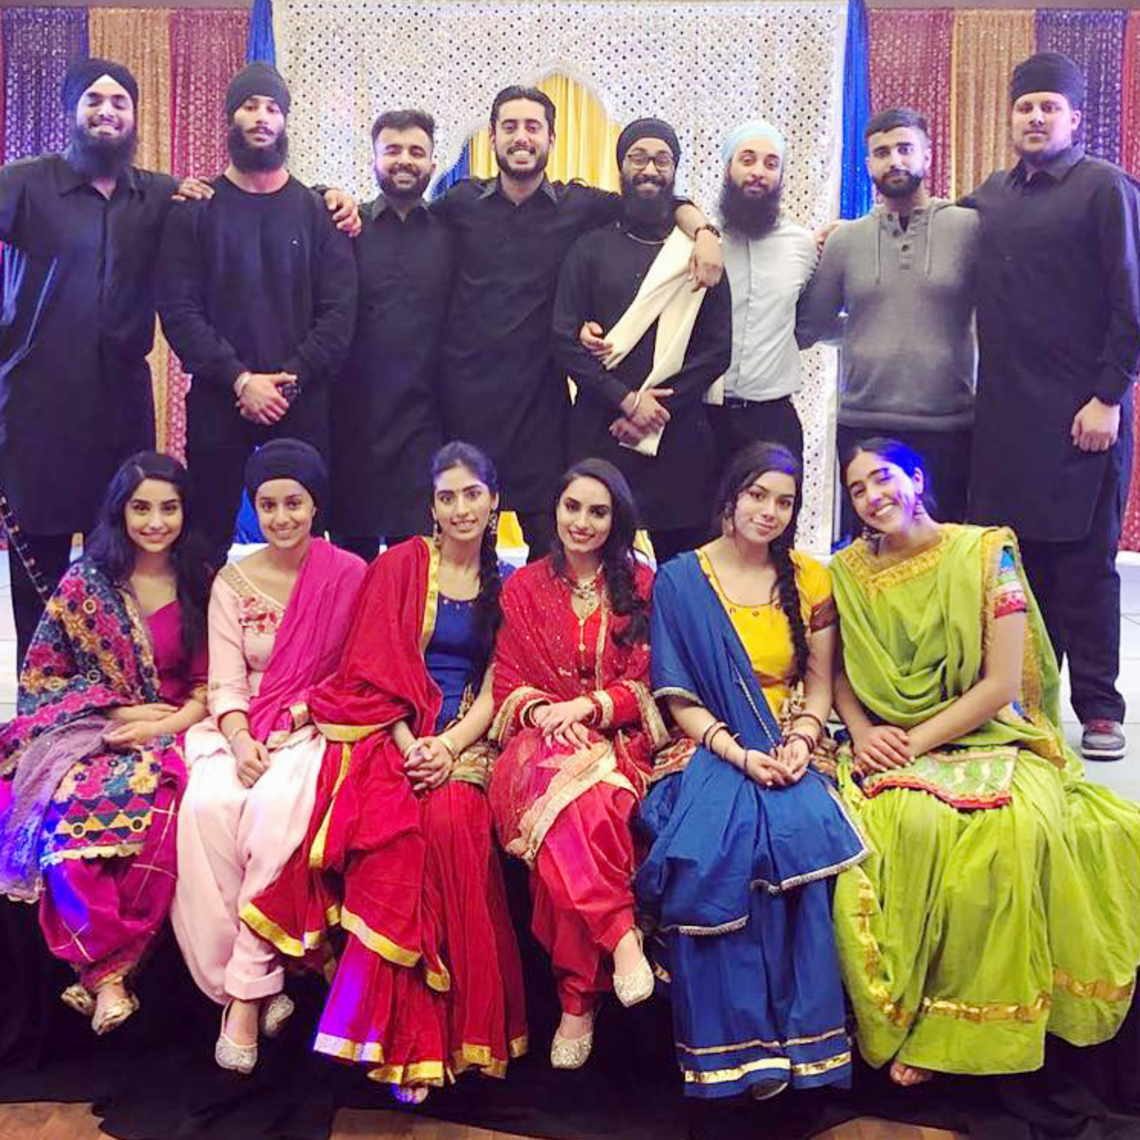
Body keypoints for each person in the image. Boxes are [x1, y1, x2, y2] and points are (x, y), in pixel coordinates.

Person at [831, 437, 1140, 1086]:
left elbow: (1001, 686)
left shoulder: (984, 553)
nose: (872, 496)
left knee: (1013, 834)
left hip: (995, 736)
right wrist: (863, 735)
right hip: (891, 737)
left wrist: (913, 745)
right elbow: (833, 673)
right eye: (857, 489)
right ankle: (905, 1011)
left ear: (916, 479)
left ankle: (960, 1033)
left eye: (883, 478)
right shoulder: (848, 573)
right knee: (902, 830)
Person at [245, 442, 526, 1101]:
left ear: (494, 499)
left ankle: (454, 1040)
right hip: (386, 733)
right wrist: (410, 745)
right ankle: (395, 1040)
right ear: (430, 505)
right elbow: (371, 669)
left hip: (463, 739)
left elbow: (498, 684)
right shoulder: (400, 566)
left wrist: (451, 747)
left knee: (456, 822)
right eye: (447, 496)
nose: (460, 509)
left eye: (472, 494)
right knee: (398, 830)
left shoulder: (507, 583)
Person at [635, 441, 867, 1099]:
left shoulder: (808, 578)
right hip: (709, 744)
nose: (770, 511)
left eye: (784, 502)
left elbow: (820, 684)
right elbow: (676, 694)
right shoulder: (681, 579)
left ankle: (807, 1044)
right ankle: (738, 1050)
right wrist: (737, 752)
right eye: (758, 496)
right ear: (730, 499)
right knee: (719, 844)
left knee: (794, 829)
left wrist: (801, 738)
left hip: (793, 740)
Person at [433, 86, 723, 559]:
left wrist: (706, 234)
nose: (521, 138)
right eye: (510, 127)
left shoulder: (580, 205)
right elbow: (400, 214)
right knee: (464, 548)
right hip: (466, 402)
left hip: (542, 408)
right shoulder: (460, 203)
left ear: (551, 138)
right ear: (491, 138)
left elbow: (654, 196)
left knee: (549, 552)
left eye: (532, 127)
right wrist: (333, 199)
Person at [0, 59, 213, 665]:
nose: (107, 111)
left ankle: (113, 680)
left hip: (119, 406)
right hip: (35, 404)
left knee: (119, 553)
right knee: (35, 560)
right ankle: (40, 694)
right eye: (94, 100)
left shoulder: (157, 195)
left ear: (133, 117)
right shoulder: (25, 183)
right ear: (73, 111)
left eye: (120, 102)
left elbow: (242, 196)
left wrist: (334, 199)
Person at [964, 53, 1140, 760]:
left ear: (1074, 118)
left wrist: (1107, 397)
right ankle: (1029, 702)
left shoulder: (1105, 189)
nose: (1035, 118)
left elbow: (1132, 304)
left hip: (1083, 419)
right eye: (1024, 107)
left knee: (1086, 567)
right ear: (1009, 119)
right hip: (1006, 421)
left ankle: (1099, 707)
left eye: (1048, 107)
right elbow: (939, 226)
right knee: (1019, 568)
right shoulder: (993, 195)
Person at [172, 439, 366, 1073]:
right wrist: (239, 738)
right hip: (242, 727)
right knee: (207, 804)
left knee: (275, 812)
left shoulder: (349, 573)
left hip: (317, 728)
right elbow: (225, 682)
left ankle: (247, 993)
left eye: (294, 503)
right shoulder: (232, 581)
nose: (282, 517)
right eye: (268, 504)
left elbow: (357, 674)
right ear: (253, 508)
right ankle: (247, 974)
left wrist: (302, 717)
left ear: (315, 504)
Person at [0, 452, 210, 1034]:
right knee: (62, 804)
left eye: (169, 508)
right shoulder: (85, 582)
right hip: (95, 728)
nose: (155, 521)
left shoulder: (202, 582)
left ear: (185, 514)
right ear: (120, 511)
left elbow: (209, 687)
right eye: (141, 507)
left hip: (175, 727)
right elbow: (43, 677)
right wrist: (118, 708)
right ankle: (108, 972)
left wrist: (157, 726)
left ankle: (106, 969)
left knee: (162, 811)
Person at [488, 458, 670, 1069]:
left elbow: (652, 679)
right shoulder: (523, 586)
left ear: (616, 519)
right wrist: (546, 715)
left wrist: (589, 707)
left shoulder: (642, 584)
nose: (583, 523)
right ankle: (620, 939)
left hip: (619, 741)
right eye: (573, 508)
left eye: (598, 511)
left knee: (590, 810)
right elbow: (509, 679)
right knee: (565, 797)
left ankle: (576, 1001)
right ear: (555, 511)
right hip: (538, 743)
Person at [158, 62, 359, 566]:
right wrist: (240, 380)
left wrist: (289, 379)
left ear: (285, 122)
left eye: (272, 108)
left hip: (302, 399)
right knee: (205, 538)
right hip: (219, 397)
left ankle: (310, 643)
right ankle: (205, 641)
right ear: (231, 120)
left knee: (308, 541)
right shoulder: (194, 209)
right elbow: (179, 311)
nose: (262, 117)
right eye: (250, 106)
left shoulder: (320, 212)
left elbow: (338, 313)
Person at [553, 119, 731, 564]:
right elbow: (563, 338)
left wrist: (657, 410)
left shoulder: (700, 252)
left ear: (675, 169)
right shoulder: (589, 248)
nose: (650, 168)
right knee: (597, 564)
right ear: (620, 167)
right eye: (638, 157)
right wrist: (627, 400)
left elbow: (717, 349)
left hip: (679, 434)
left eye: (662, 159)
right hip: (601, 428)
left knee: (683, 571)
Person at [798, 107, 978, 536]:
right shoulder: (846, 240)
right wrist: (863, 327)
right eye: (882, 152)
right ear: (868, 164)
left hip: (949, 426)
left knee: (944, 559)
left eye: (904, 149)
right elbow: (808, 327)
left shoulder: (970, 228)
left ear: (927, 156)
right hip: (864, 427)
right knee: (870, 561)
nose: (894, 160)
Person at [330, 109, 453, 561]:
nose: (405, 161)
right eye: (393, 150)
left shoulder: (451, 232)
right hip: (351, 426)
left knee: (414, 572)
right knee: (351, 568)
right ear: (374, 160)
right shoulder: (343, 228)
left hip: (424, 429)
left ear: (433, 164)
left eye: (417, 152)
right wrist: (326, 192)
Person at [709, 119, 818, 465]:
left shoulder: (802, 246)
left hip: (772, 420)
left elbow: (811, 319)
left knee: (773, 519)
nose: (758, 171)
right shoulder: (702, 239)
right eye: (747, 160)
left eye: (771, 164)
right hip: (704, 417)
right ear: (728, 169)